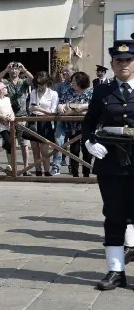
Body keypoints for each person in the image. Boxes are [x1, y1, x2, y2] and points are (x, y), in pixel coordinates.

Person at [81, 38, 134, 290]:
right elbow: (89, 123)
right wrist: (90, 143)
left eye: (128, 60)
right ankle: (115, 271)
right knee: (113, 216)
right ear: (112, 63)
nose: (123, 64)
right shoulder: (102, 91)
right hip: (111, 162)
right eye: (118, 60)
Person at [0, 62, 34, 176]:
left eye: (16, 69)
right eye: (12, 69)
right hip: (7, 117)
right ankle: (11, 167)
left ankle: (26, 168)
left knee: (24, 143)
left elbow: (31, 78)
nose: (14, 71)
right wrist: (6, 70)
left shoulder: (23, 82)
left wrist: (24, 69)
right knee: (9, 143)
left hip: (22, 115)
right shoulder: (6, 82)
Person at [57, 71, 93, 177]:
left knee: (87, 150)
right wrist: (60, 106)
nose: (71, 83)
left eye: (74, 81)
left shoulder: (91, 92)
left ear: (81, 82)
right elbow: (63, 106)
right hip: (72, 127)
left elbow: (95, 107)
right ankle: (74, 173)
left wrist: (81, 107)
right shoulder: (68, 92)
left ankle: (86, 173)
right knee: (74, 150)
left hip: (87, 126)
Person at [28, 71, 58, 176]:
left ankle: (47, 171)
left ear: (47, 83)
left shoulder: (53, 94)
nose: (40, 87)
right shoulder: (34, 92)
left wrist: (40, 109)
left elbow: (53, 111)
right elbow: (30, 108)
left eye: (42, 84)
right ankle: (38, 171)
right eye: (38, 84)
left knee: (45, 150)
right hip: (34, 120)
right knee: (35, 149)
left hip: (46, 122)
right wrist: (33, 108)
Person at [51, 64, 76, 175]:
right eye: (63, 71)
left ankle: (74, 167)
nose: (64, 73)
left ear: (74, 71)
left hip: (76, 119)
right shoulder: (59, 86)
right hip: (61, 118)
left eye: (67, 71)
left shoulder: (80, 85)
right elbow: (55, 100)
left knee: (75, 144)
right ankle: (56, 165)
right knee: (59, 141)